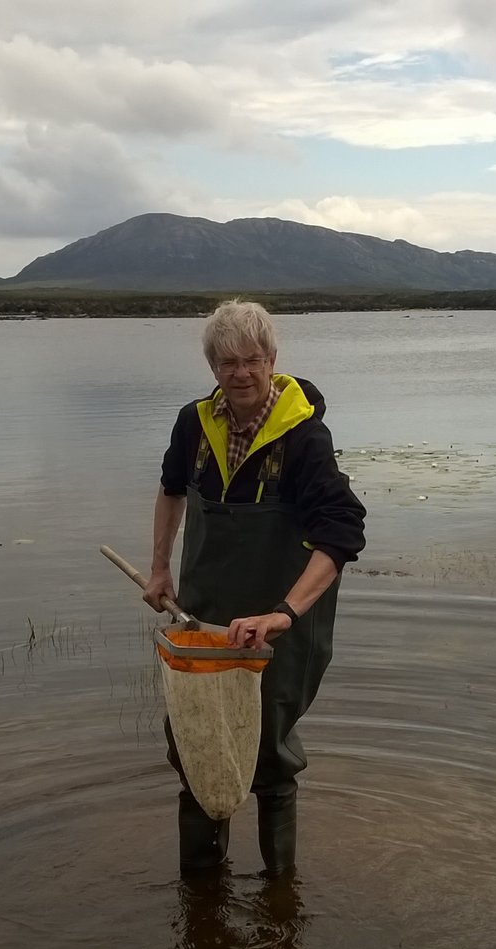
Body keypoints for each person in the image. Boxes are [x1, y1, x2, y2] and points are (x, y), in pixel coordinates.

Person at [143, 300, 366, 877]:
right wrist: (160, 569)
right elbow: (171, 489)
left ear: (272, 359)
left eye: (252, 360)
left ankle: (280, 895)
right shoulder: (193, 423)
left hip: (280, 625)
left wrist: (284, 613)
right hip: (203, 618)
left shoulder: (304, 437)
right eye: (227, 362)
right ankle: (200, 893)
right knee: (195, 746)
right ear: (212, 366)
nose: (240, 373)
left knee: (269, 754)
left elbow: (341, 534)